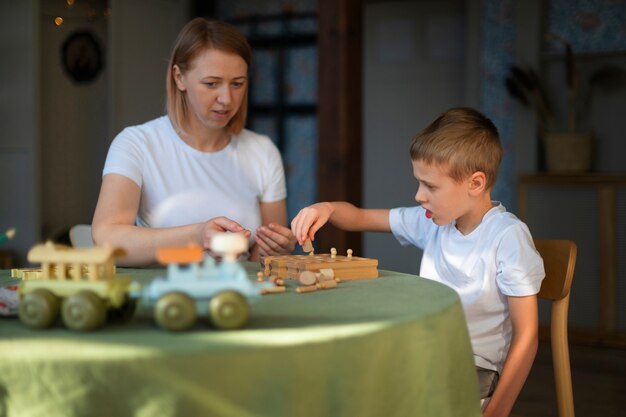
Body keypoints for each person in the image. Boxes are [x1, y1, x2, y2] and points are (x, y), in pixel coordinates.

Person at [291, 107, 545, 416]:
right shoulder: (433, 221)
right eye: (419, 182)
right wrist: (327, 208)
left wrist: (497, 412)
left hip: (470, 369)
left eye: (431, 186)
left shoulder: (508, 237)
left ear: (475, 183)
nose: (418, 196)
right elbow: (359, 217)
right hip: (423, 356)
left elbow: (528, 335)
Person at [92, 18, 296, 265]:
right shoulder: (136, 144)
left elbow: (262, 262)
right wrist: (199, 235)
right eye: (211, 84)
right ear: (179, 77)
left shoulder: (262, 152)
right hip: (166, 297)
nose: (227, 99)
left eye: (238, 84)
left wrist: (274, 250)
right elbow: (106, 238)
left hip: (242, 298)